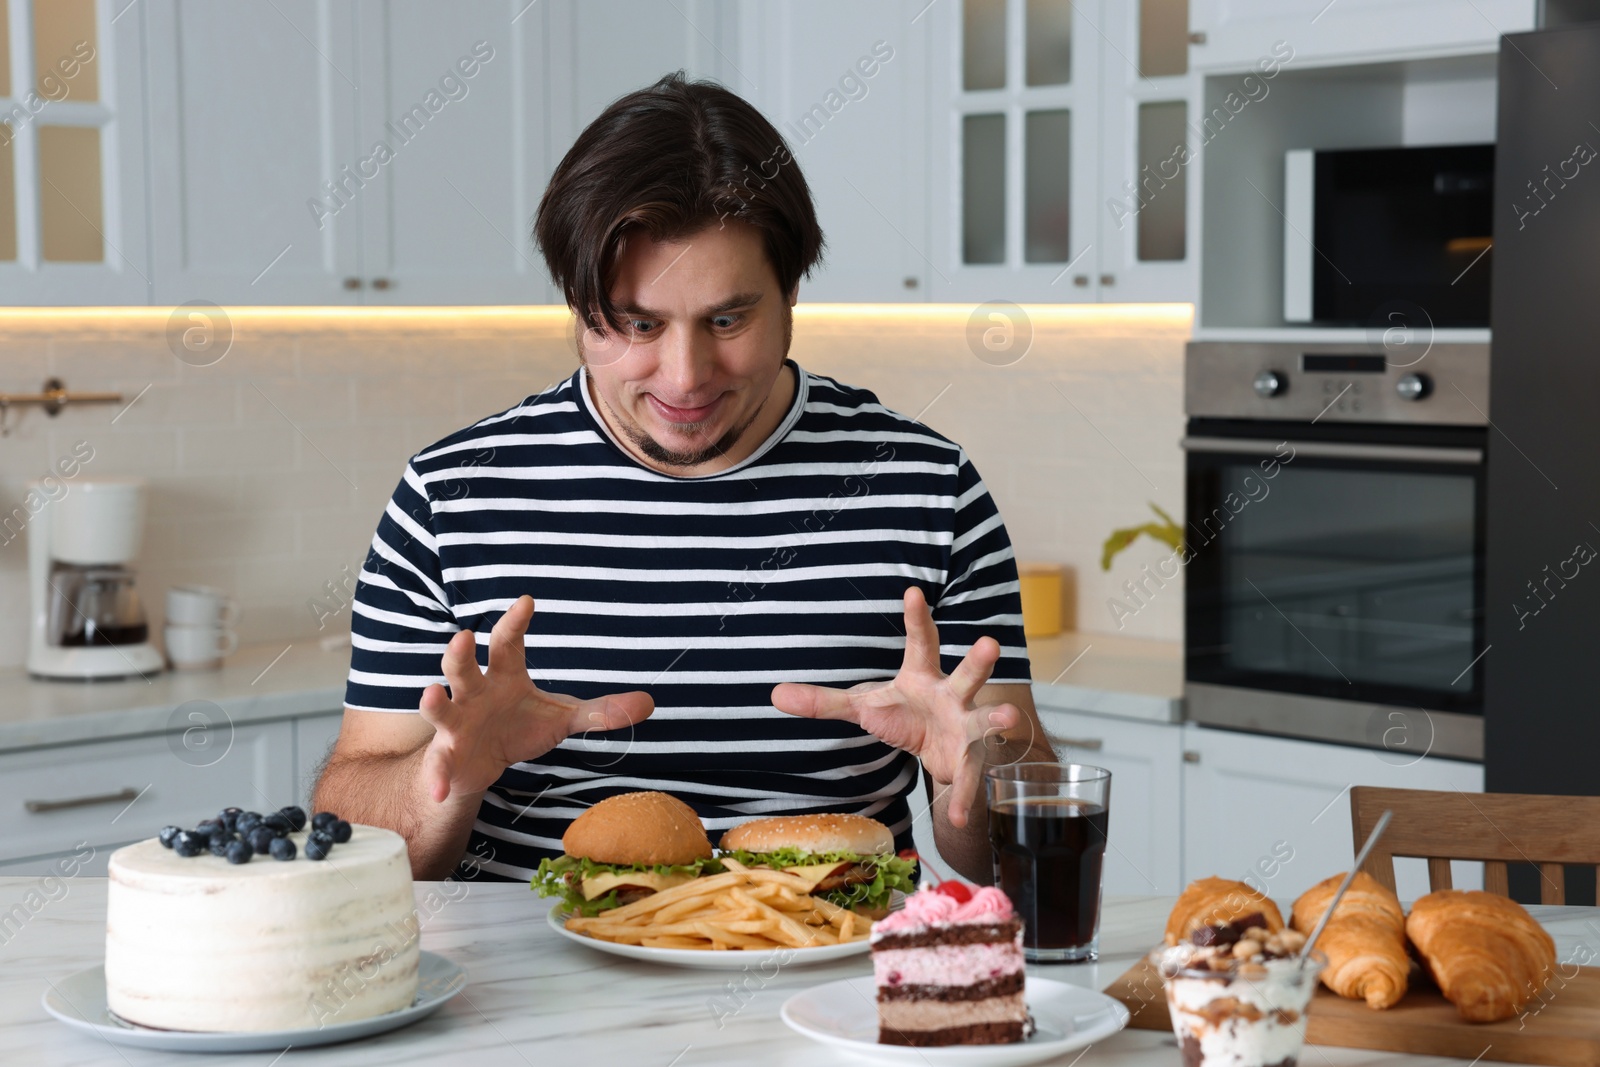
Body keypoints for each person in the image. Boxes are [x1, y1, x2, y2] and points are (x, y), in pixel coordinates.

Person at [314, 72, 1054, 883]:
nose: (686, 375)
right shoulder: (450, 497)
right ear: (575, 301)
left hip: (829, 994)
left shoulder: (928, 491)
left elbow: (1021, 855)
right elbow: (349, 828)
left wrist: (978, 777)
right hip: (532, 998)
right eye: (638, 323)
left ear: (792, 292)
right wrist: (440, 780)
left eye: (728, 319)